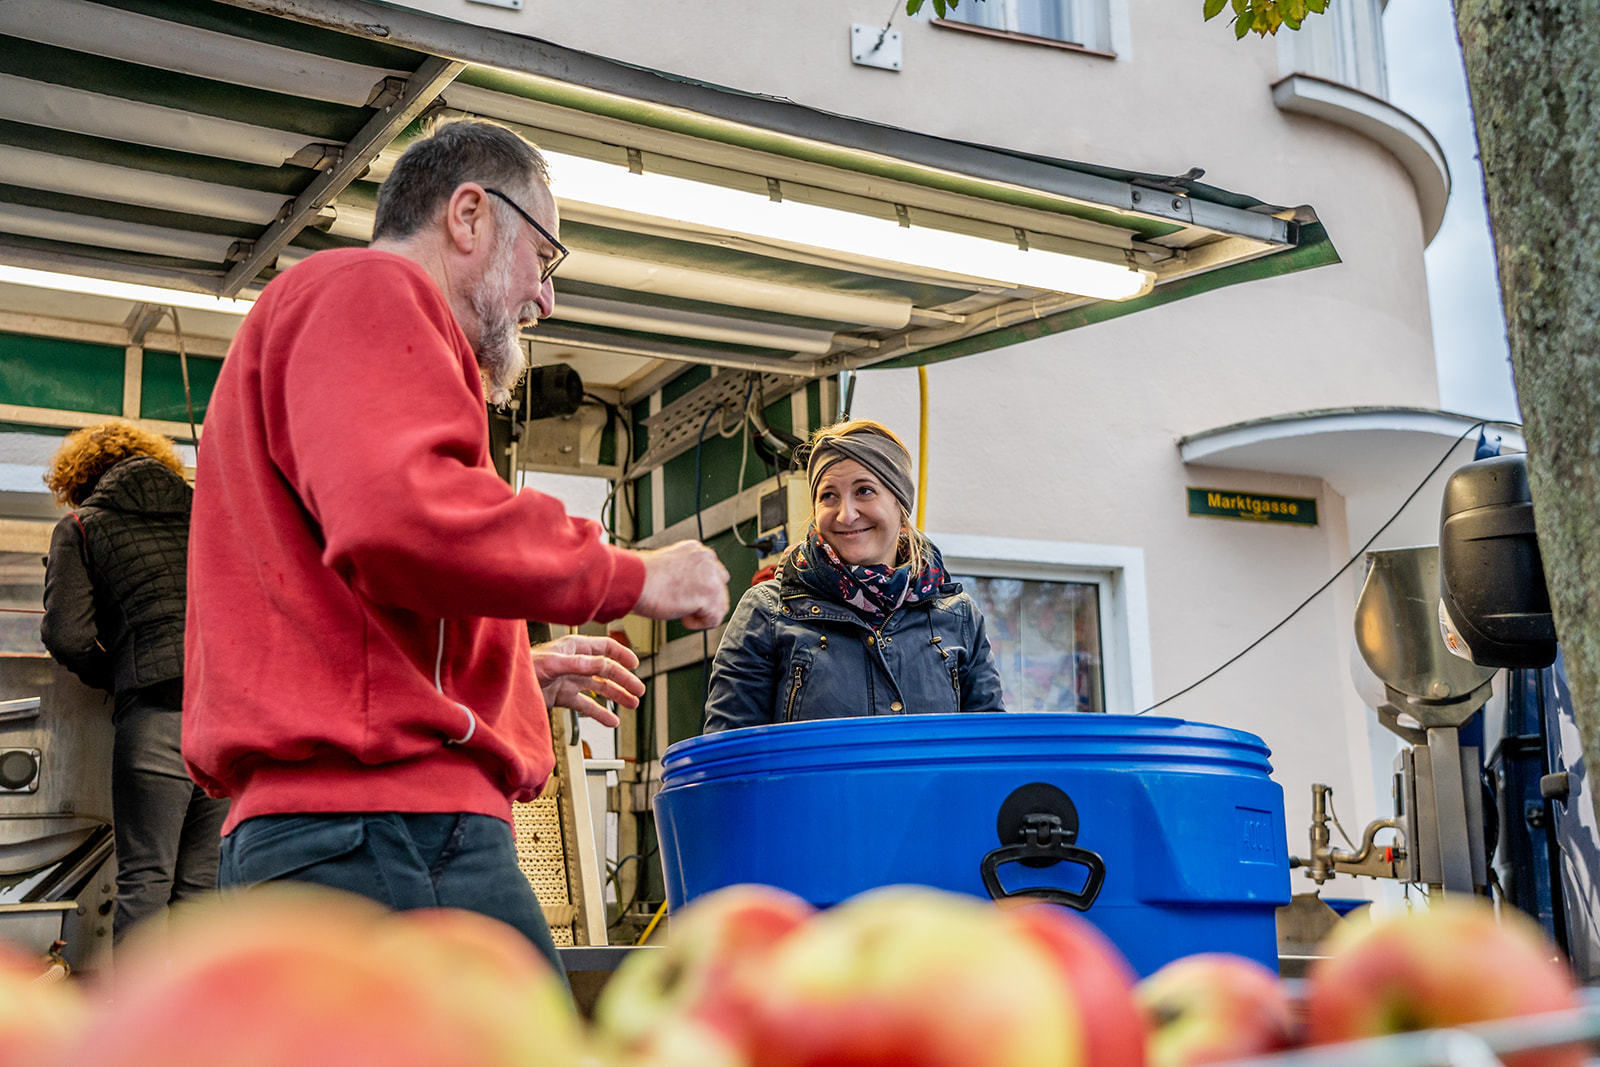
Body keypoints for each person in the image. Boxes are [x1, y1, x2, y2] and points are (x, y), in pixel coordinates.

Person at [183, 118, 728, 974]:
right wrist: (635, 574)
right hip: (384, 834)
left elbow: (357, 599)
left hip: (340, 834)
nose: (544, 299)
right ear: (468, 214)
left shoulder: (329, 320)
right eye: (543, 259)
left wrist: (515, 673)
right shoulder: (370, 287)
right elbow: (404, 517)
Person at [40, 421, 229, 942]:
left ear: (80, 477)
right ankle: (205, 1018)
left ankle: (143, 1021)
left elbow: (68, 635)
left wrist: (123, 675)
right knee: (202, 881)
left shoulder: (81, 526)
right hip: (225, 714)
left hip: (155, 716)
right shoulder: (211, 513)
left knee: (145, 877)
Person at [703, 419, 1004, 732]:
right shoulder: (766, 613)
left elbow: (993, 751)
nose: (846, 514)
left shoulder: (959, 617)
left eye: (864, 491)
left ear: (899, 505)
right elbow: (730, 757)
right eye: (829, 496)